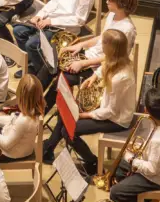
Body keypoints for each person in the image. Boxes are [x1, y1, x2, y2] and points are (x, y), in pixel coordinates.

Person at [46, 29, 135, 173]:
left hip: (117, 120)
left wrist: (84, 115)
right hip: (109, 110)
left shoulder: (121, 78)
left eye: (103, 43)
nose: (101, 46)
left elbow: (110, 112)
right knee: (66, 118)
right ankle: (49, 148)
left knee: (69, 131)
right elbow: (106, 64)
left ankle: (92, 162)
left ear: (110, 48)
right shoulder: (118, 58)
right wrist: (93, 77)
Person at [15, 0, 94, 75]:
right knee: (18, 30)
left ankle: (44, 73)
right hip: (50, 19)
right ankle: (32, 64)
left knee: (32, 44)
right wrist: (40, 15)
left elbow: (79, 20)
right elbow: (55, 0)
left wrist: (51, 21)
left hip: (65, 29)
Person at [108, 90, 160, 202]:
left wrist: (132, 160)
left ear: (146, 110)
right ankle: (138, 199)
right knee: (121, 168)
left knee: (115, 193)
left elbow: (152, 170)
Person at [0, 74, 43, 160]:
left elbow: (6, 144)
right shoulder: (32, 109)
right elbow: (12, 120)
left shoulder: (24, 120)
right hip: (16, 144)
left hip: (10, 153)